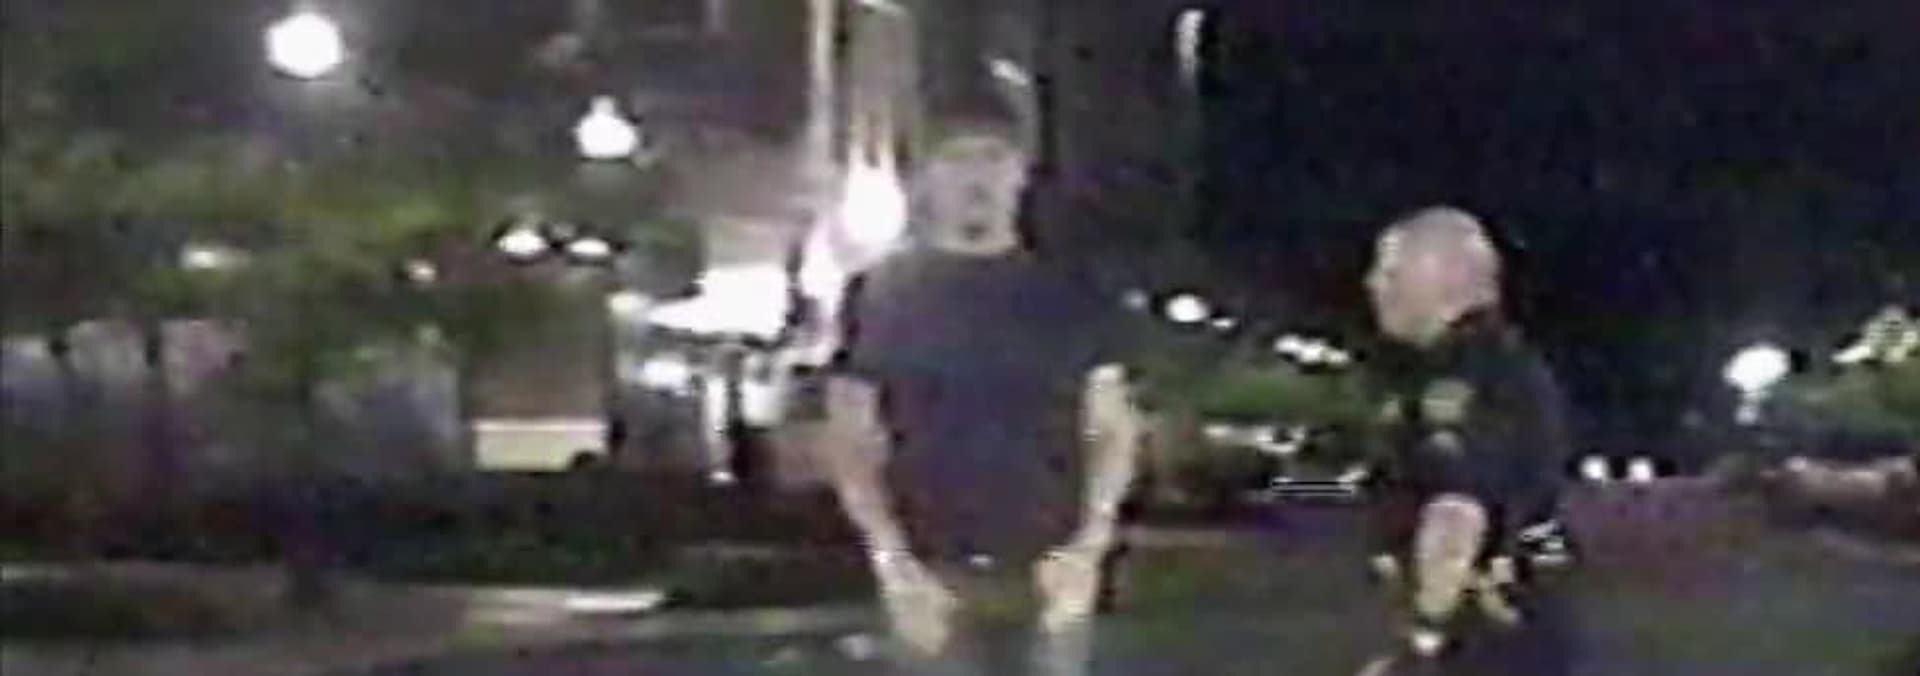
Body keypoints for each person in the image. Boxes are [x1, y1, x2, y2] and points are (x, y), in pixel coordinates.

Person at [819, 107, 1143, 676]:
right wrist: (893, 561)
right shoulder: (881, 294)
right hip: (930, 568)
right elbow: (852, 437)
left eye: (994, 158)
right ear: (926, 178)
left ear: (1022, 174)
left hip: (1050, 566)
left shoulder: (1072, 293)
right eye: (957, 159)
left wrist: (1089, 549)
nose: (977, 178)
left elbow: (1111, 429)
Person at [1357, 206, 1579, 676]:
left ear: (1445, 276)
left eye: (1391, 271)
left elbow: (1458, 509)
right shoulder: (1491, 364)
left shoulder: (1466, 377)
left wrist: (1421, 643)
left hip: (1484, 648)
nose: (1373, 284)